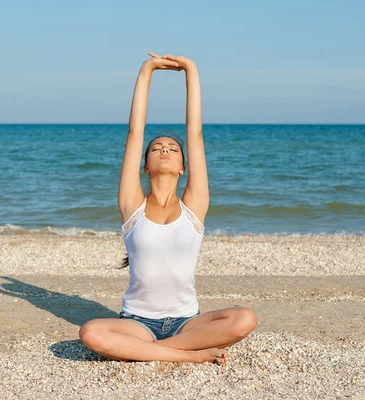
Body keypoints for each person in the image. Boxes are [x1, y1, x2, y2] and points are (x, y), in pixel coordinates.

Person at [79, 52, 257, 366]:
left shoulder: (194, 207)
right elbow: (135, 132)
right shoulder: (132, 206)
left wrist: (191, 69)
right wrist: (147, 69)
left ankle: (154, 353)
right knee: (91, 332)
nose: (164, 150)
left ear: (183, 167)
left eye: (172, 149)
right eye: (157, 148)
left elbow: (196, 134)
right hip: (137, 323)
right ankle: (186, 355)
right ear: (145, 166)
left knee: (245, 319)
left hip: (187, 321)